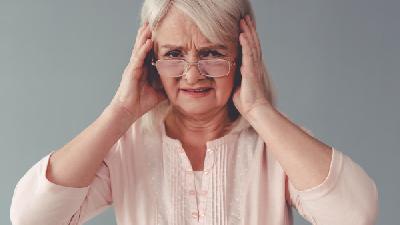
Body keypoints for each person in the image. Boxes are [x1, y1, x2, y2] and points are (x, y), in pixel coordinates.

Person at [10, 0, 379, 224]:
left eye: (212, 53)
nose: (192, 74)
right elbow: (31, 218)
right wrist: (120, 111)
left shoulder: (275, 146)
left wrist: (256, 107)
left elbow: (354, 215)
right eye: (173, 54)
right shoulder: (127, 147)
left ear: (242, 56)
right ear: (150, 61)